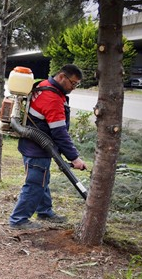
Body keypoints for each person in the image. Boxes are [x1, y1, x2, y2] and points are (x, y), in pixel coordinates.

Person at [9, 64, 88, 230]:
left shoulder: (44, 85)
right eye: (73, 83)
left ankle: (44, 211)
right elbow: (60, 133)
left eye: (76, 85)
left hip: (34, 145)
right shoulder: (52, 98)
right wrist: (74, 158)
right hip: (37, 148)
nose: (73, 88)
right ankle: (19, 220)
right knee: (35, 183)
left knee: (42, 179)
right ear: (61, 77)